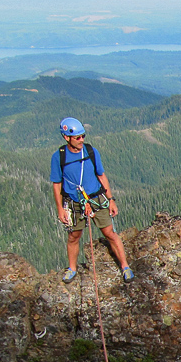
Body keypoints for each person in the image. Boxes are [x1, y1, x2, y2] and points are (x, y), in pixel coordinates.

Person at [50, 117, 134, 284]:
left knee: (109, 233)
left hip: (96, 198)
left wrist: (111, 200)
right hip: (74, 202)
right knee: (74, 236)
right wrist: (60, 208)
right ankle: (72, 268)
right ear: (67, 138)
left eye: (83, 136)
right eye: (78, 137)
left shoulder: (90, 152)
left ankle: (125, 266)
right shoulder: (58, 157)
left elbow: (101, 176)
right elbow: (57, 184)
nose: (82, 140)